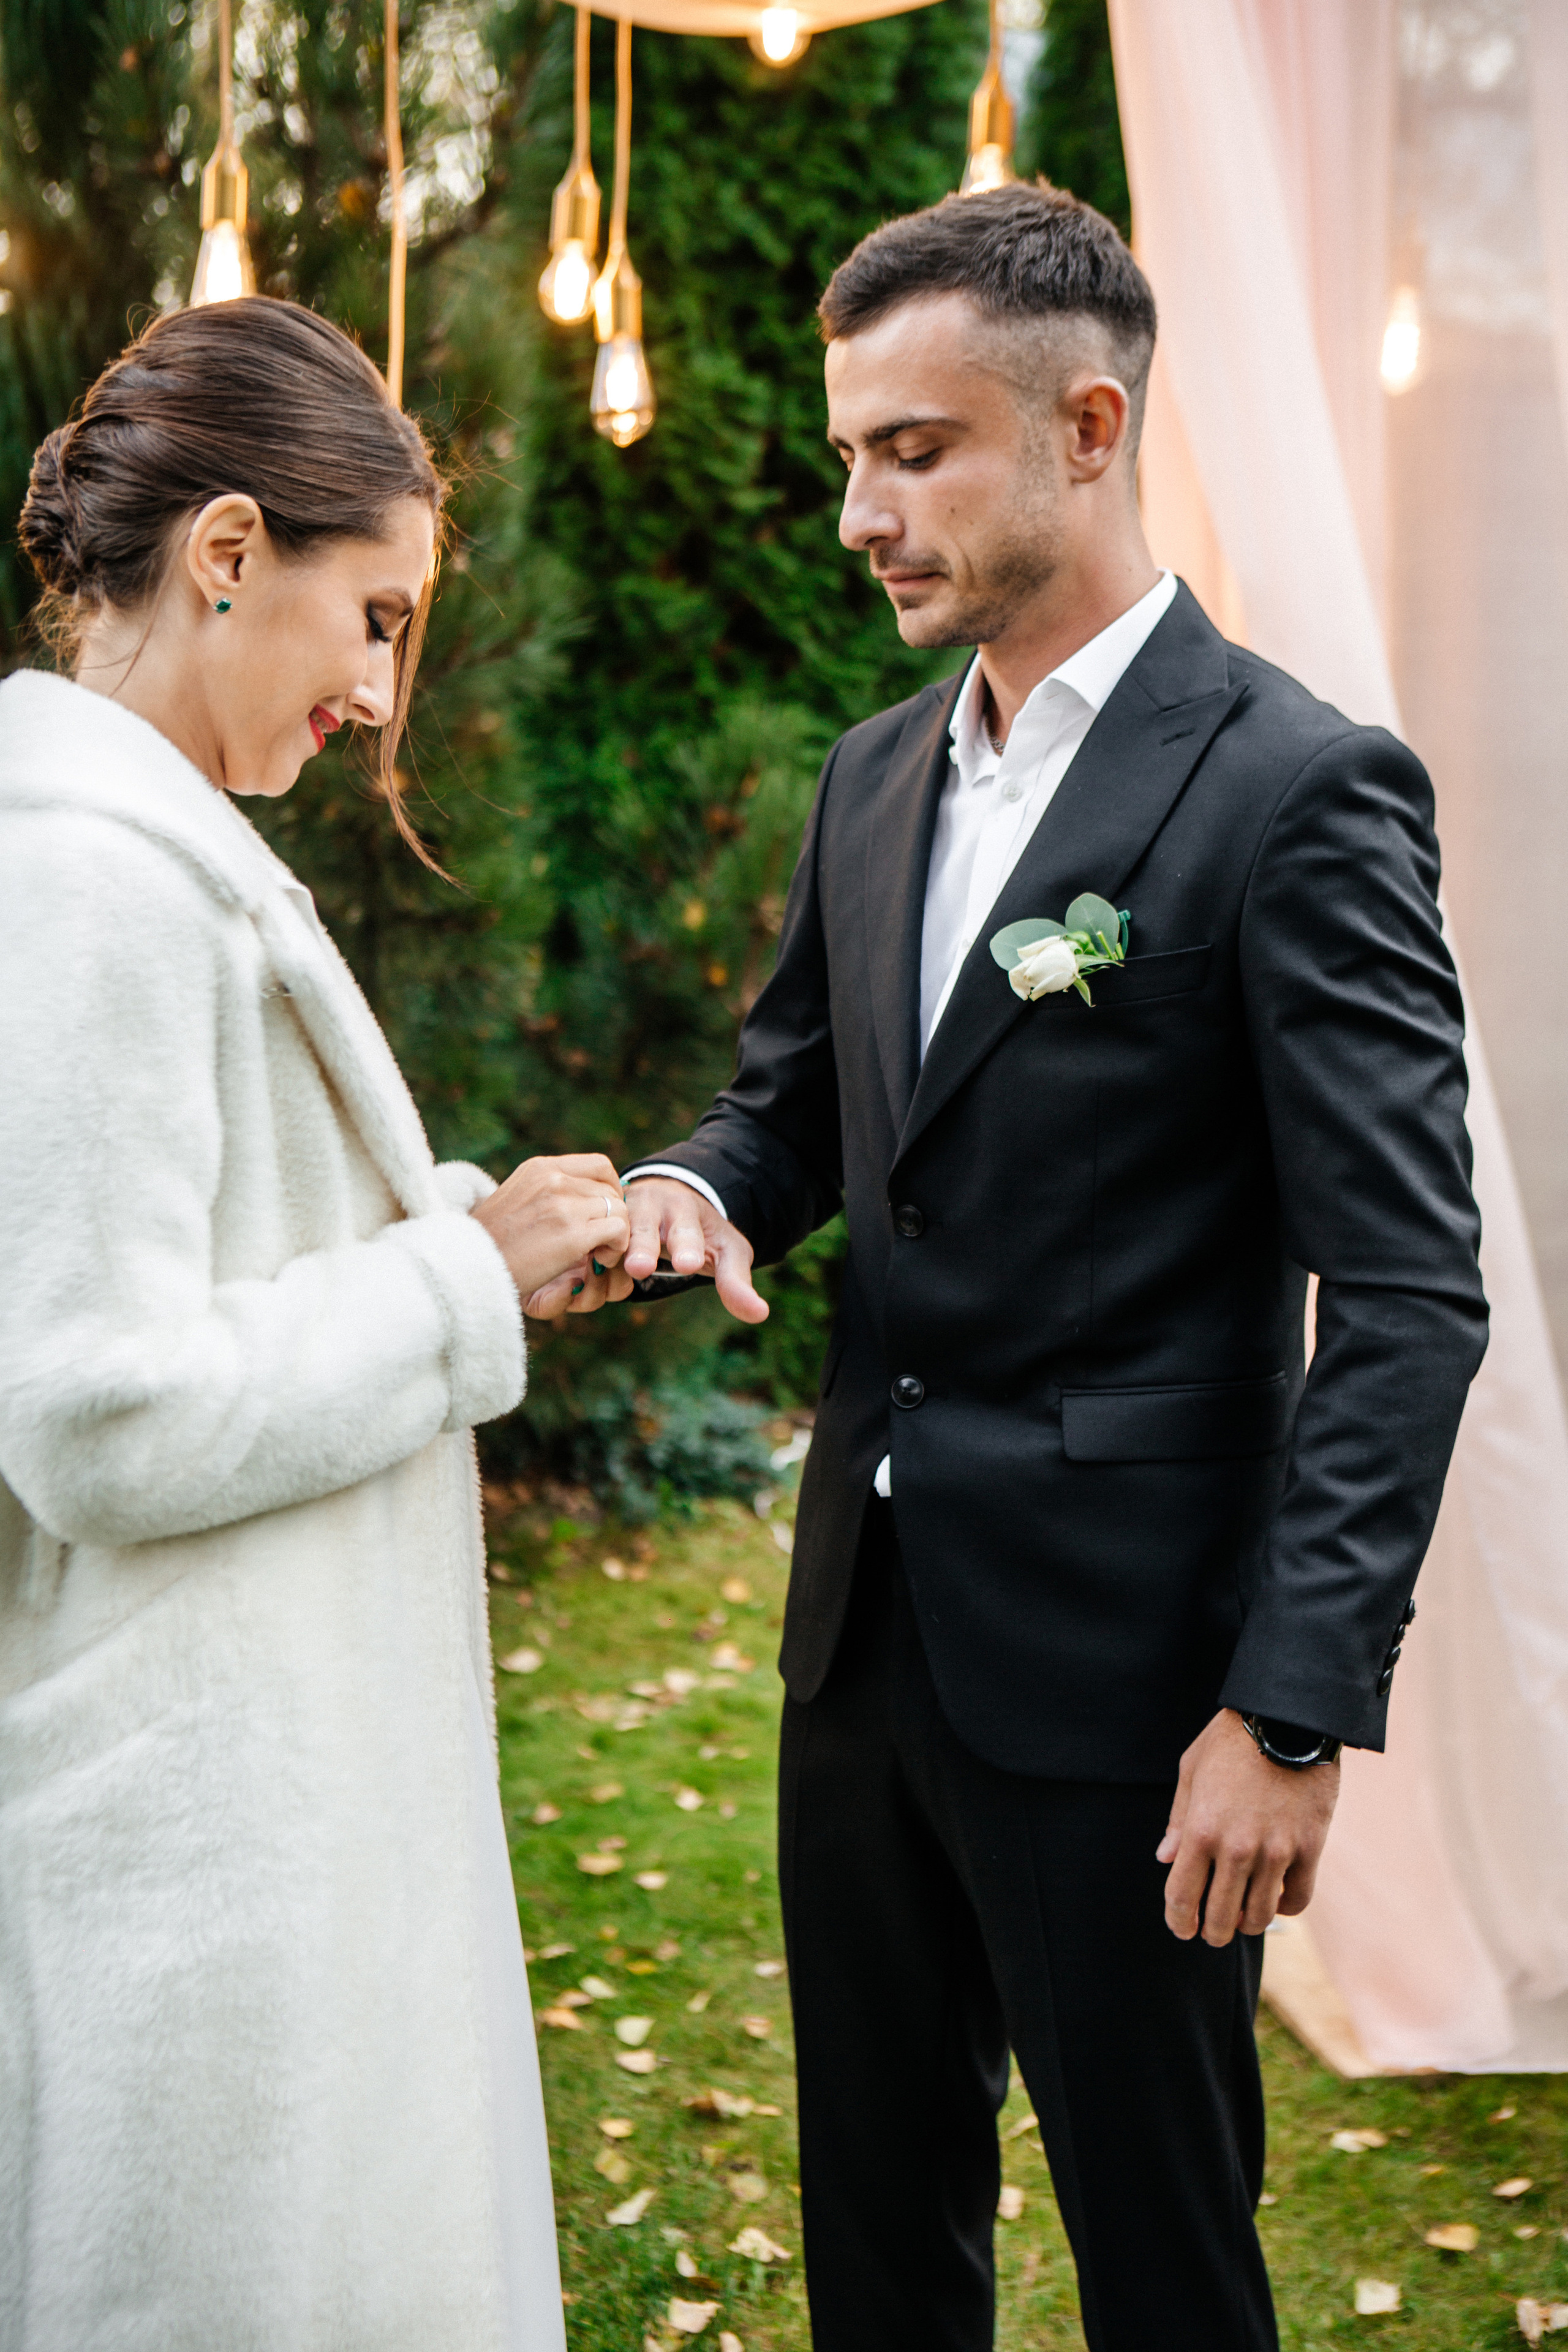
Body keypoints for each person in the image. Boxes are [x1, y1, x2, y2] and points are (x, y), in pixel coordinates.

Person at [620, 184, 1487, 2351]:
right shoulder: (871, 778)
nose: (857, 513)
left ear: (1088, 428)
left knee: (1163, 2256)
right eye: (848, 456)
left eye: (914, 451)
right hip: (866, 1637)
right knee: (878, 2236)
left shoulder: (1298, 792)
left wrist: (1289, 1713)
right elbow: (795, 1115)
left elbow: (1406, 1290)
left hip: (1134, 1689)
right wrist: (692, 1195)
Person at [0, 298, 633, 2350]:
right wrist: (461, 1287)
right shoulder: (92, 883)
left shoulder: (141, 861)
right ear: (225, 551)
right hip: (192, 1838)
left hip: (246, 1797)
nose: (380, 693)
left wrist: (471, 1228)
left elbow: (191, 1265)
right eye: (375, 618)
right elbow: (94, 1411)